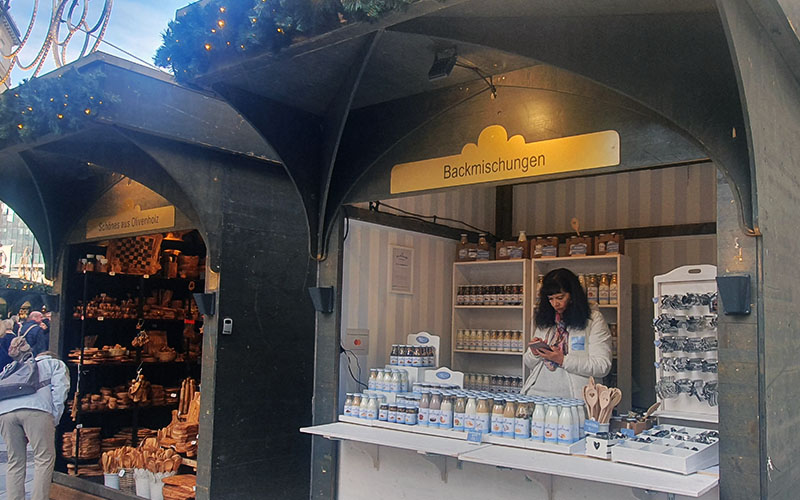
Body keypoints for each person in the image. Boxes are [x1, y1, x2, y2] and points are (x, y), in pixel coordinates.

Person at [522, 268, 612, 399]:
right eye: (550, 299)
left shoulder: (593, 319)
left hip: (574, 397)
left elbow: (602, 366)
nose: (555, 304)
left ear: (572, 295)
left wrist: (563, 360)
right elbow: (529, 363)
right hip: (538, 393)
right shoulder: (547, 319)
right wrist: (535, 353)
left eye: (560, 297)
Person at [0, 345, 69, 500]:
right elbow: (60, 391)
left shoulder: (18, 366)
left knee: (15, 461)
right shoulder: (55, 364)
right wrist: (54, 419)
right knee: (44, 459)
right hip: (36, 409)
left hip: (5, 412)